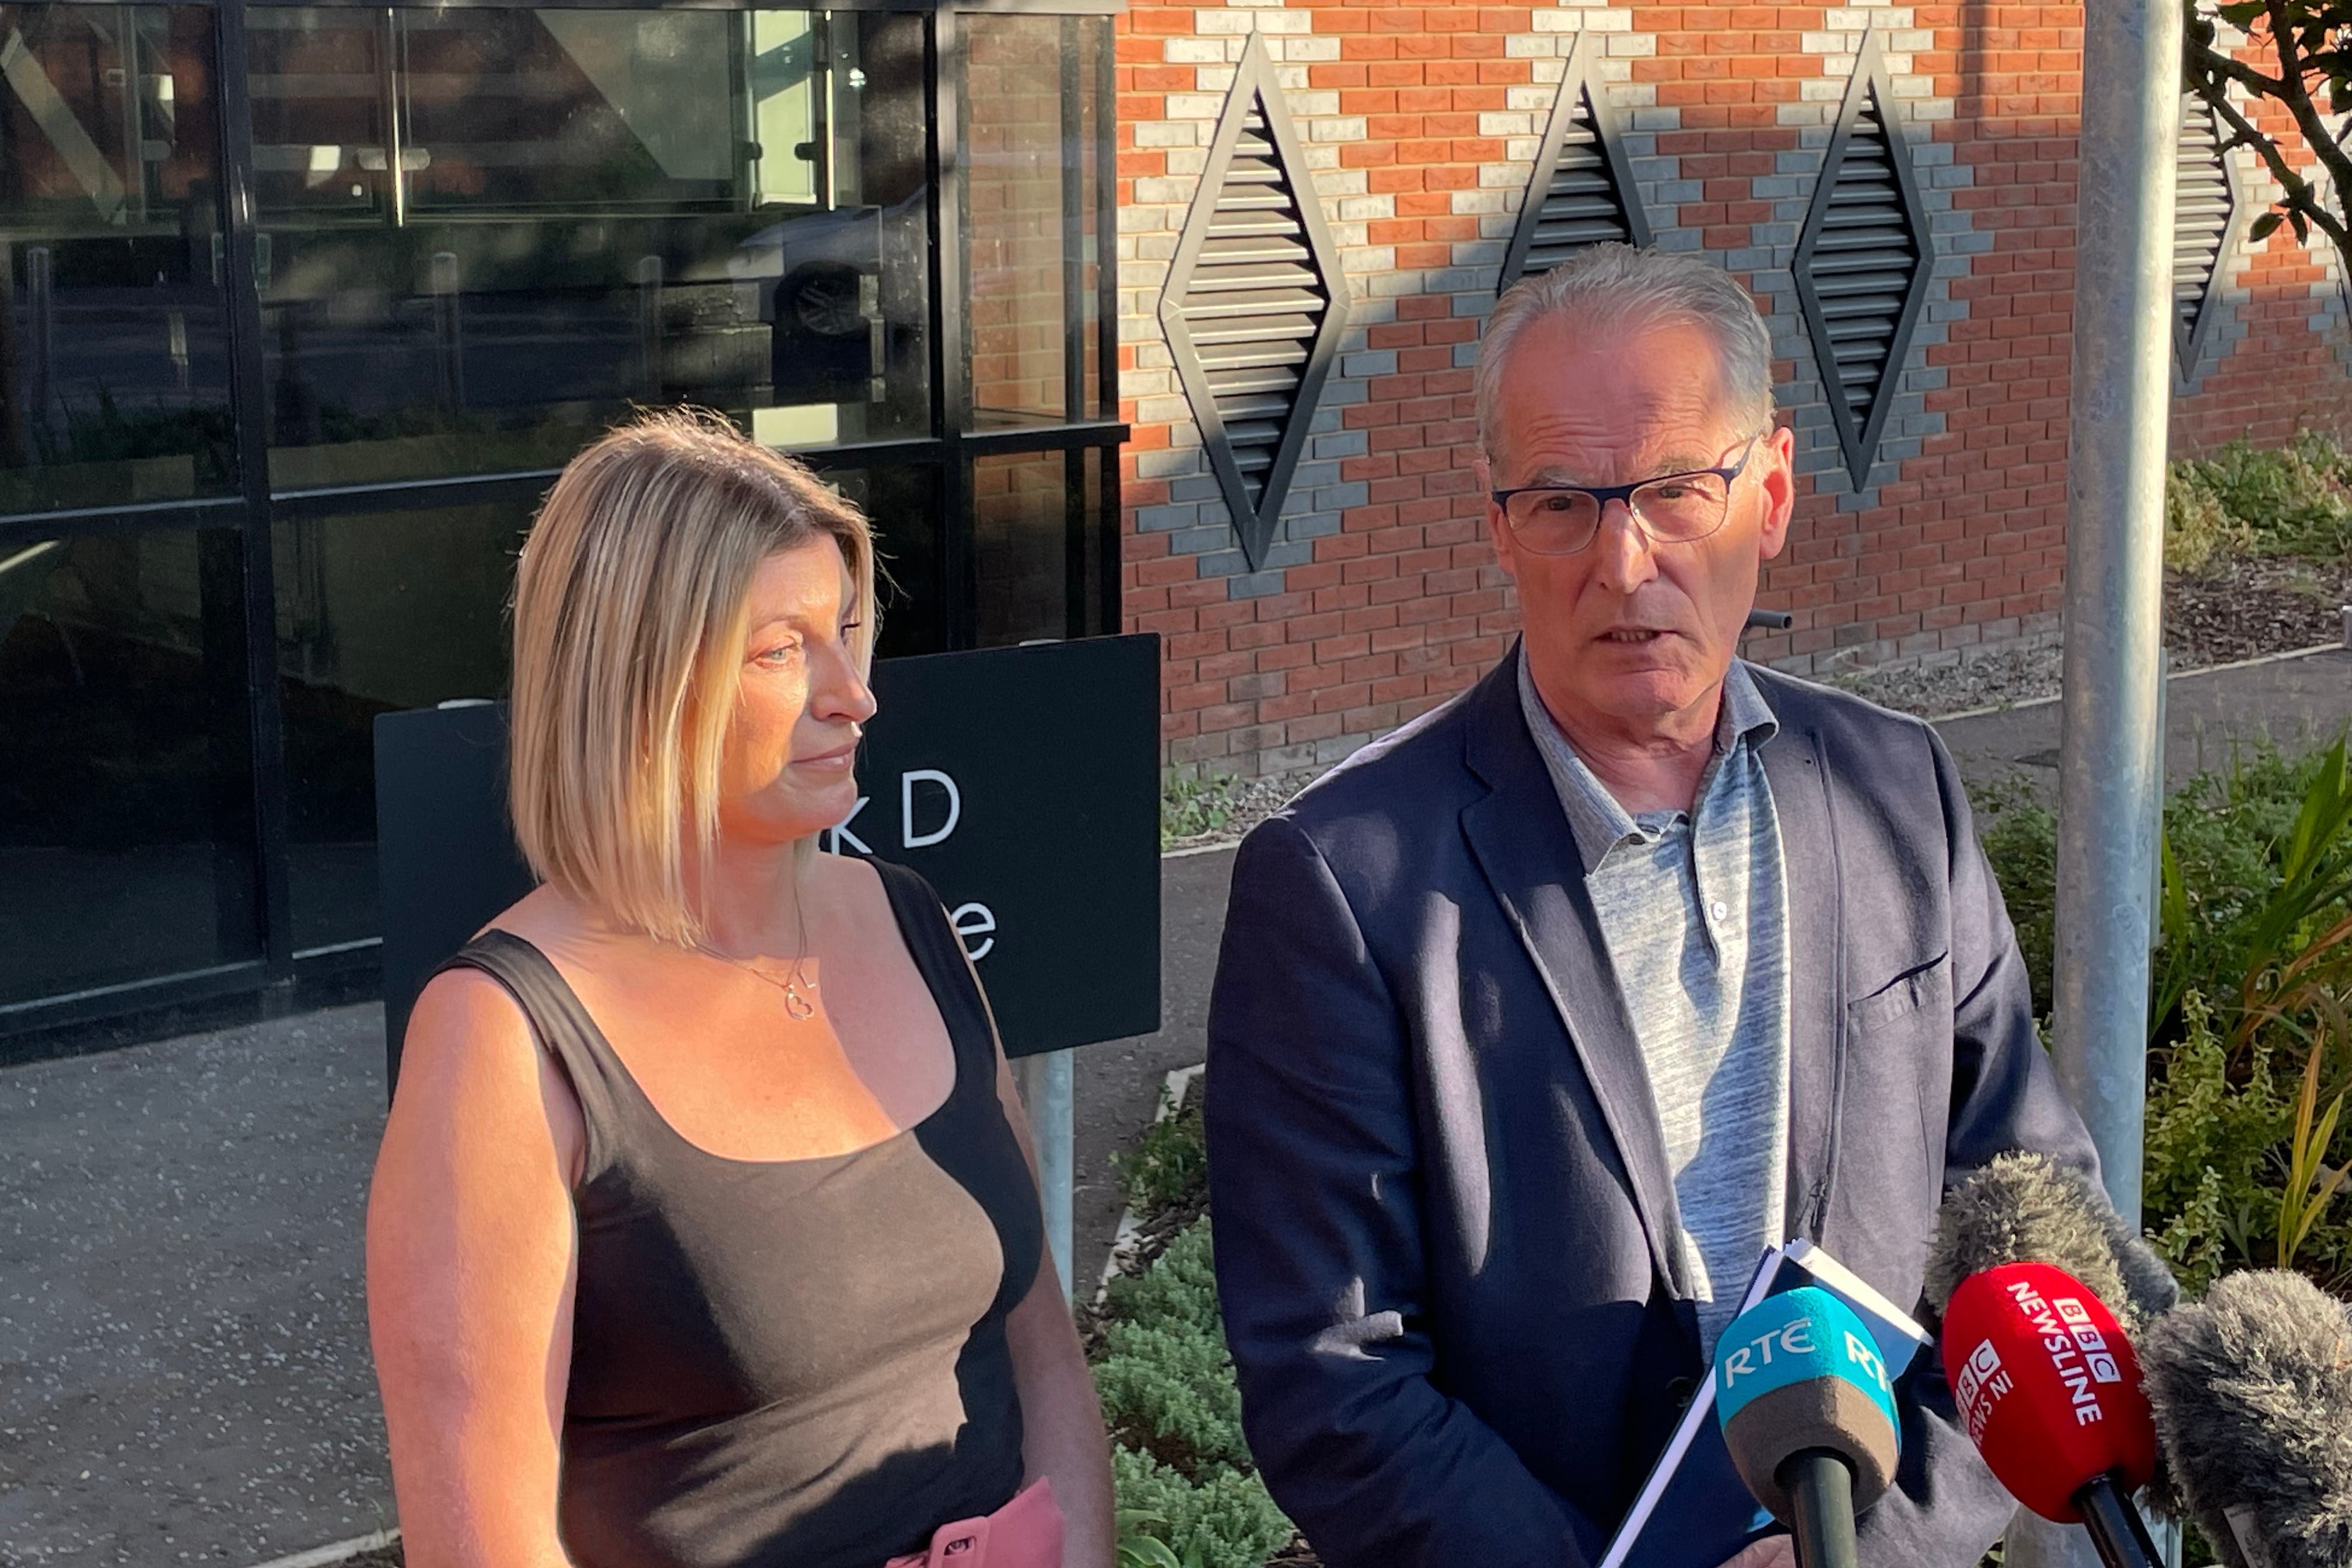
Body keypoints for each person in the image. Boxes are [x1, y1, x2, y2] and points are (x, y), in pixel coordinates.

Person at [1203, 244, 2103, 1568]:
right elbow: (1332, 1378)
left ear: (1772, 493)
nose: (1624, 565)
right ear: (1499, 522)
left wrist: (1879, 1544)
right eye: (1562, 503)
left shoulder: (1898, 787)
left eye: (1678, 491)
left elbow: (2030, 1221)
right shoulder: (1344, 882)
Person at [368, 410, 1114, 1568]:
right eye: (779, 651)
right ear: (638, 684)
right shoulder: (504, 1038)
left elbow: (1044, 1354)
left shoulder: (910, 920)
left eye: (847, 632)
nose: (852, 694)